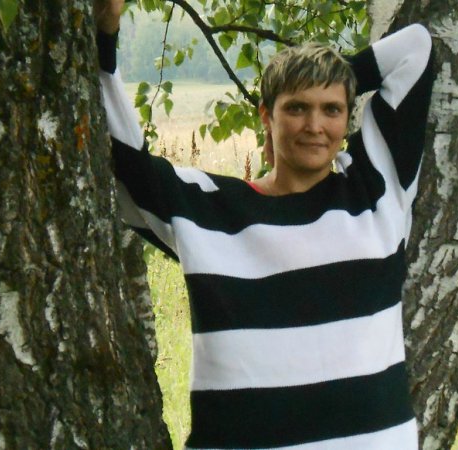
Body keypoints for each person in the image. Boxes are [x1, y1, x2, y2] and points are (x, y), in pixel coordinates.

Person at [95, 1, 434, 448]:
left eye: (332, 109)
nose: (315, 125)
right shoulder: (209, 209)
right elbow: (122, 164)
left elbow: (415, 49)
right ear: (266, 115)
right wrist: (104, 36)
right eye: (296, 107)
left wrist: (331, 75)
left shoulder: (376, 191)